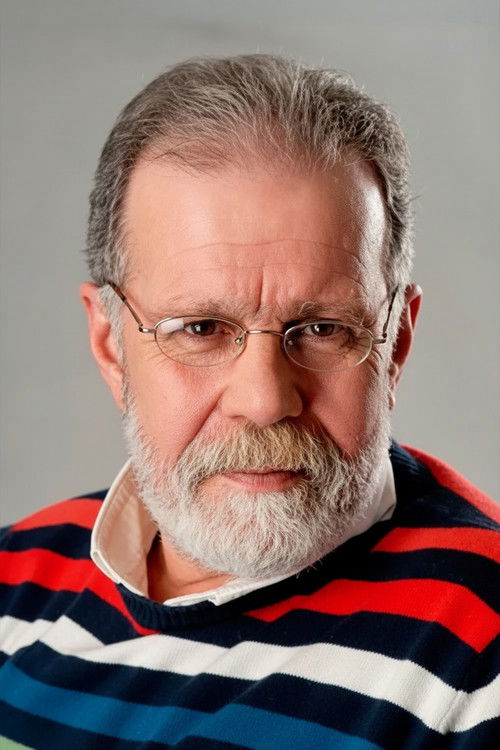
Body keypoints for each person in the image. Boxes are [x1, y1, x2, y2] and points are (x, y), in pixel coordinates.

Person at [0, 54, 498, 750]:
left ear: (395, 343)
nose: (265, 401)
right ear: (111, 344)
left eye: (323, 329)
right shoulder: (12, 581)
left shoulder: (482, 659)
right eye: (201, 328)